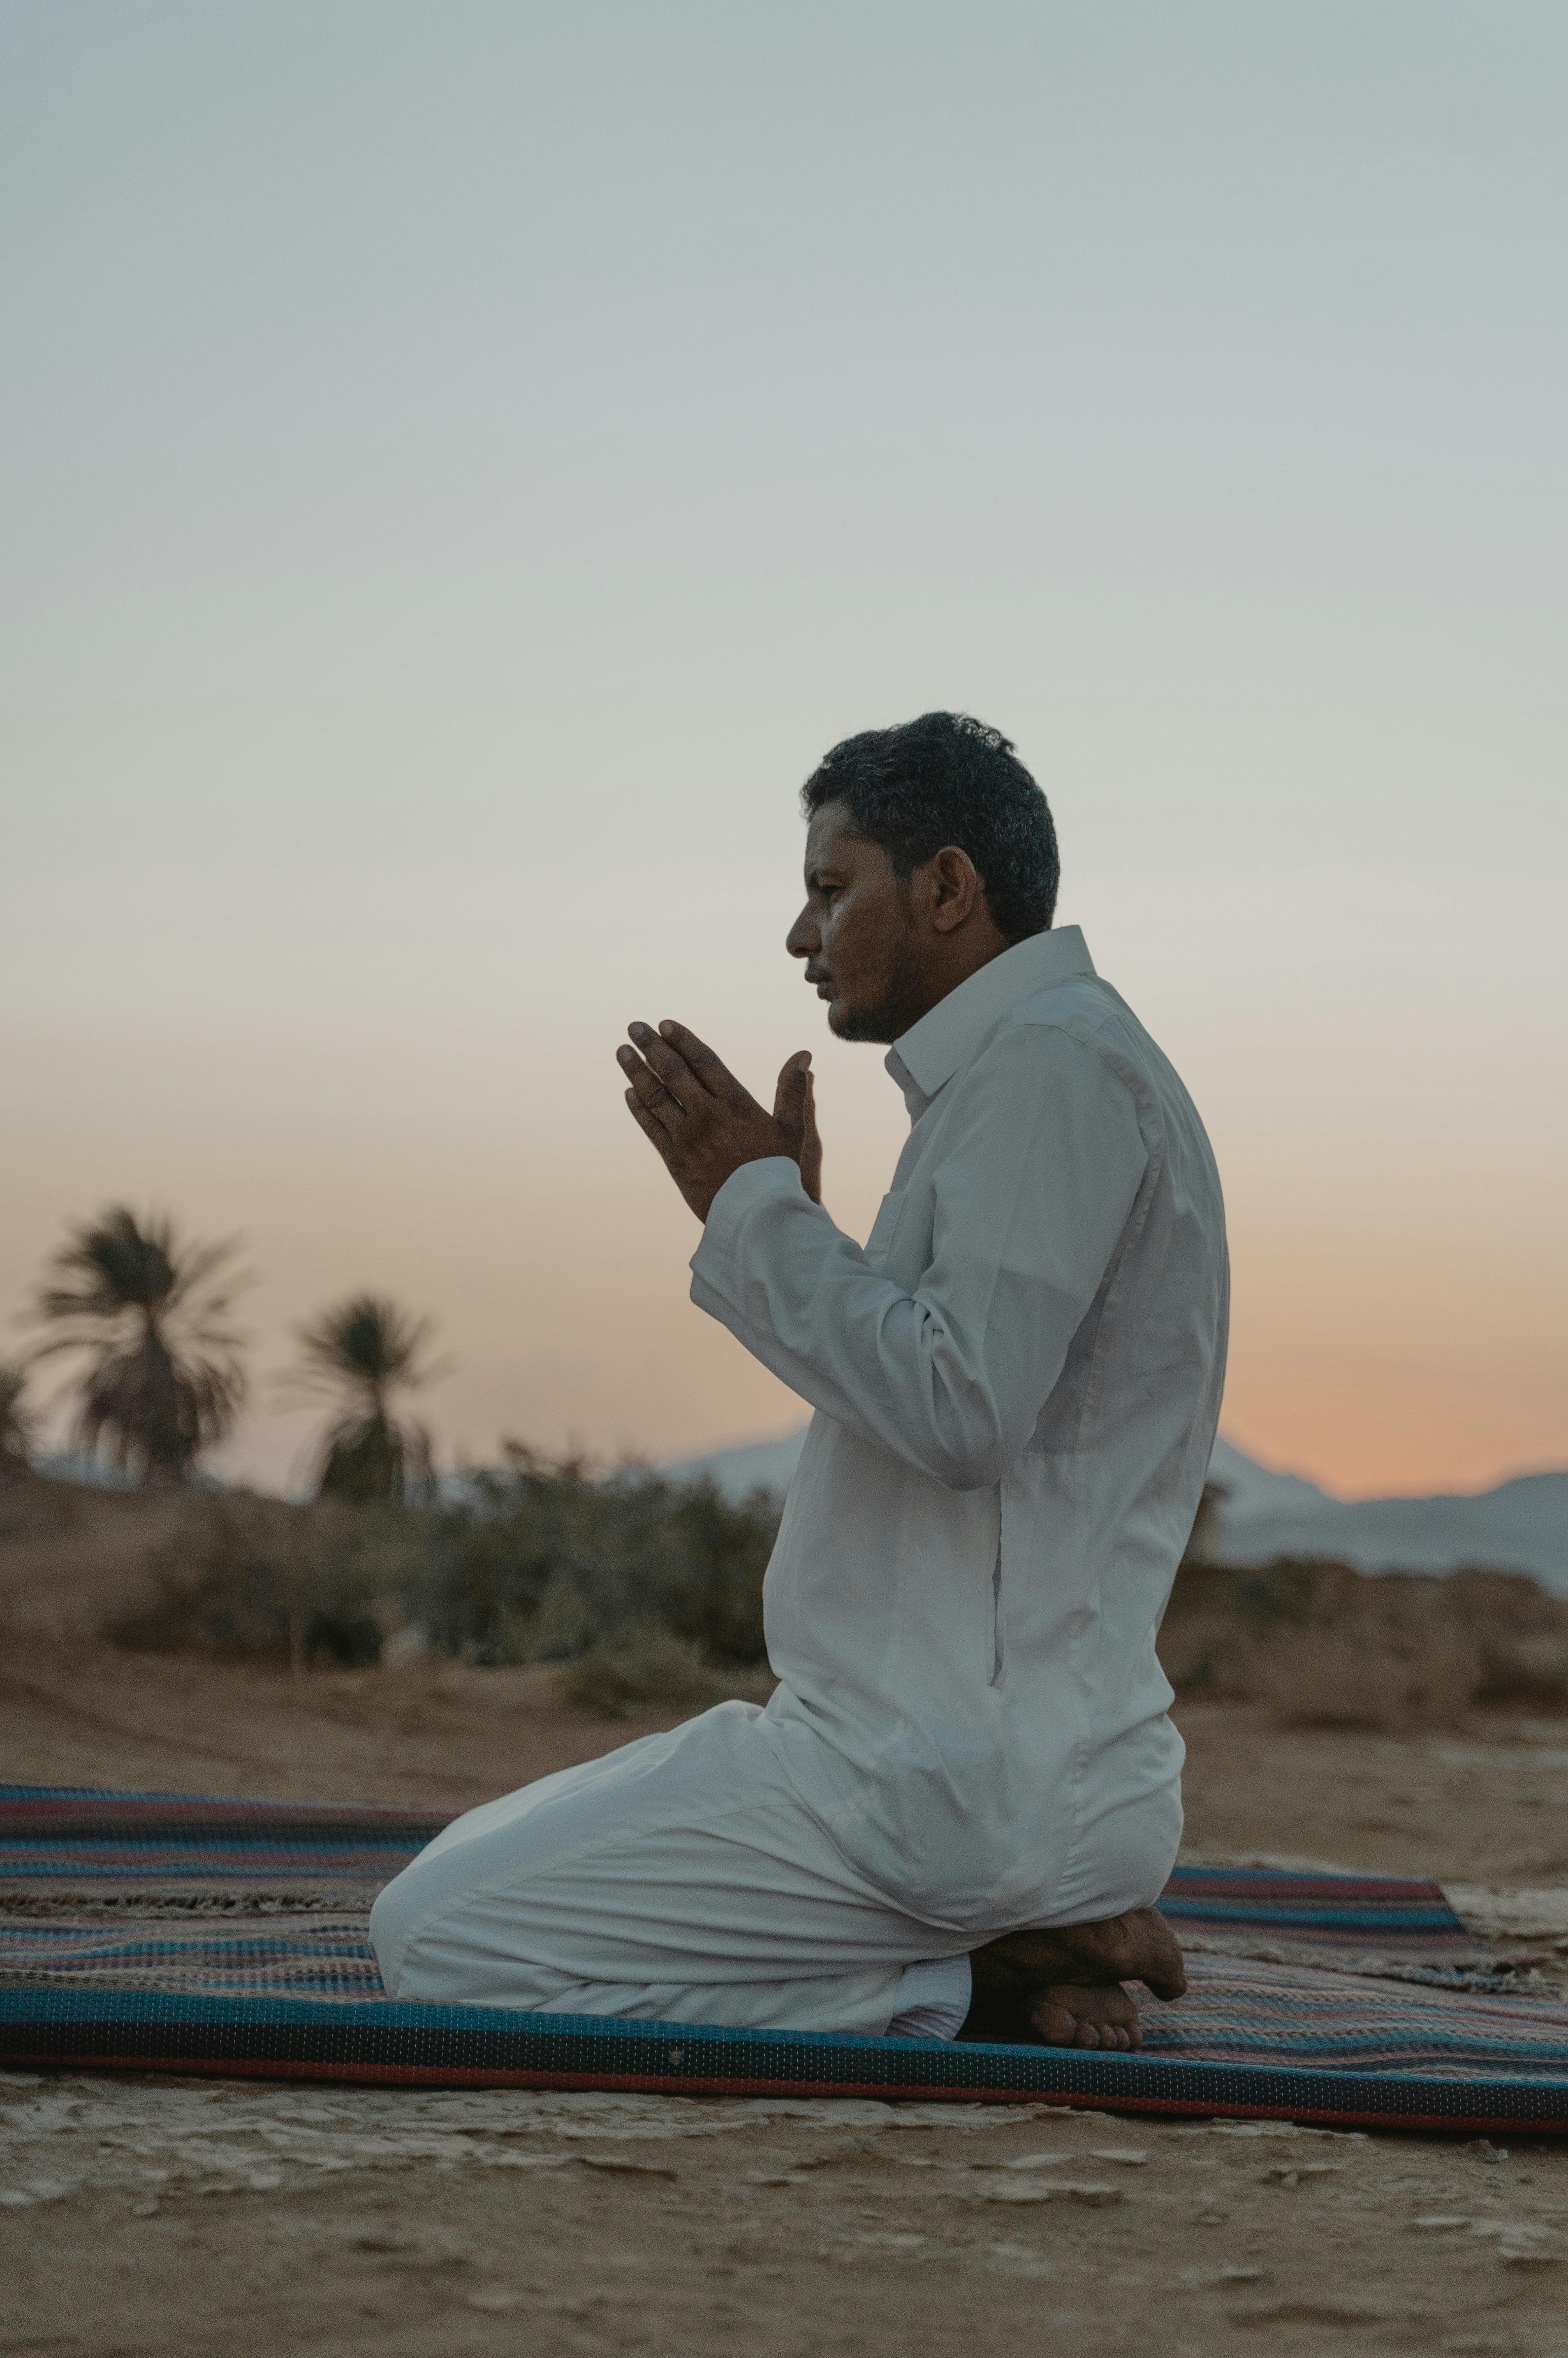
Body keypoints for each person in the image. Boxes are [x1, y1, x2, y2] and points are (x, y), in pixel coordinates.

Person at [370, 712, 1228, 2049]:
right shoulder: (1041, 1068)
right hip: (996, 1779)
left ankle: (966, 1977)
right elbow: (959, 1393)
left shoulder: (1051, 1069)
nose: (799, 933)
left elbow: (961, 1412)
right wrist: (798, 1235)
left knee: (437, 1937)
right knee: (479, 1852)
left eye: (833, 889)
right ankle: (1020, 1945)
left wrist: (753, 1212)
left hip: (936, 1793)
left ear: (947, 887)